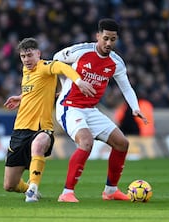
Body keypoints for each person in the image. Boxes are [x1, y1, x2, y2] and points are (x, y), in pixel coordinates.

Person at [53, 18, 148, 202]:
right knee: (86, 142)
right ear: (98, 36)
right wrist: (64, 83)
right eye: (105, 38)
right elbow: (55, 61)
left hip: (90, 109)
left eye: (113, 39)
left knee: (122, 143)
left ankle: (110, 191)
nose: (108, 43)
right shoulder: (81, 51)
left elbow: (126, 87)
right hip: (69, 107)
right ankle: (67, 193)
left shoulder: (116, 63)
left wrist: (135, 108)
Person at [3, 37, 95, 202]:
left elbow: (61, 67)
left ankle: (33, 188)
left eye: (30, 55)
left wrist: (79, 81)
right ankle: (28, 189)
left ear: (38, 53)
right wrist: (21, 97)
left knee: (38, 145)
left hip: (41, 127)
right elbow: (37, 90)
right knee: (10, 185)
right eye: (23, 56)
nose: (26, 60)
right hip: (20, 129)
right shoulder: (26, 72)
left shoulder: (45, 66)